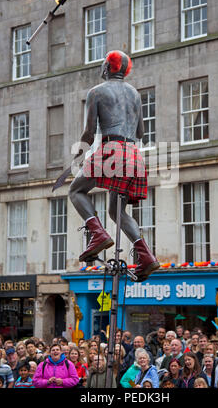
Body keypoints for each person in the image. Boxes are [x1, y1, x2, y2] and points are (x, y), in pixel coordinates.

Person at [68, 50, 159, 282]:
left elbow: (89, 132)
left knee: (76, 191)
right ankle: (146, 255)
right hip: (133, 154)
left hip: (112, 149)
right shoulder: (135, 94)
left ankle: (97, 234)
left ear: (108, 67)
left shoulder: (96, 92)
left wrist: (79, 154)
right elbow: (140, 132)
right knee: (116, 211)